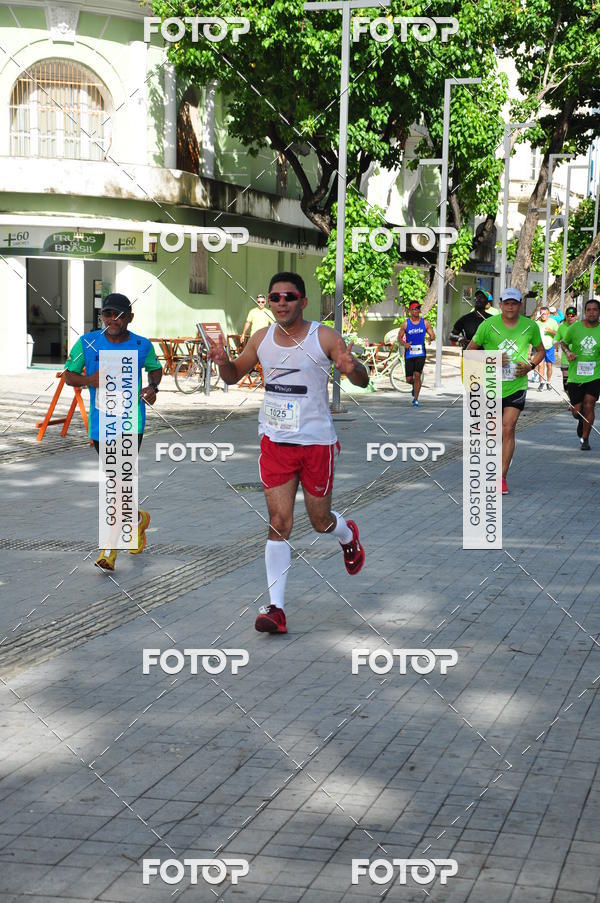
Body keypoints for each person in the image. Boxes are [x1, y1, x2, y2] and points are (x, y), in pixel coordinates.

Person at [208, 272, 369, 635]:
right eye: (275, 297)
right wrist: (221, 361)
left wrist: (352, 367)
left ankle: (346, 534)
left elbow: (361, 378)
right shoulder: (262, 338)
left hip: (315, 443)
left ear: (303, 301)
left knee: (319, 521)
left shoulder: (322, 336)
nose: (282, 303)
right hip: (275, 442)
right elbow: (234, 375)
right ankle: (275, 609)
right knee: (279, 523)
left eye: (289, 297)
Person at [64, 293, 162, 571]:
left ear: (129, 318)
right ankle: (137, 520)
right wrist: (88, 380)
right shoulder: (88, 342)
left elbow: (156, 370)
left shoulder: (142, 345)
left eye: (119, 315)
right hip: (101, 425)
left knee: (117, 484)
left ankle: (109, 550)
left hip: (132, 424)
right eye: (107, 314)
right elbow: (69, 375)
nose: (112, 319)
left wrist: (152, 389)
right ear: (102, 317)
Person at [467, 287, 545, 494]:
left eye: (514, 303)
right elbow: (470, 353)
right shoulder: (487, 325)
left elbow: (541, 351)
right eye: (507, 303)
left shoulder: (530, 326)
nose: (510, 306)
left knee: (508, 428)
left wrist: (531, 366)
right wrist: (490, 358)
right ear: (500, 304)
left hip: (516, 385)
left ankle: (500, 477)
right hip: (490, 386)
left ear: (519, 305)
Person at [561, 297, 600, 450]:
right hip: (575, 375)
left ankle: (585, 439)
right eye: (589, 310)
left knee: (589, 404)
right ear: (585, 312)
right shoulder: (575, 328)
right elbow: (563, 343)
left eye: (595, 310)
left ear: (599, 312)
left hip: (595, 375)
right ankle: (580, 419)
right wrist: (568, 352)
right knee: (577, 410)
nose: (591, 313)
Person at [397, 301, 435, 407]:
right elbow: (399, 338)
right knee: (409, 379)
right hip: (409, 353)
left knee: (417, 375)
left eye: (418, 308)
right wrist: (404, 344)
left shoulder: (425, 323)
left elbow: (432, 335)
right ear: (410, 311)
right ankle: (415, 386)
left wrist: (430, 337)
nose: (416, 310)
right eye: (414, 308)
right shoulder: (406, 324)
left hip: (420, 353)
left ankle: (416, 399)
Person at [553, 306, 578, 392]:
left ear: (576, 316)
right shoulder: (562, 327)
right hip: (566, 359)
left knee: (577, 384)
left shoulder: (581, 326)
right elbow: (555, 340)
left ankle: (576, 403)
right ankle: (572, 402)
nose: (570, 317)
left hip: (578, 359)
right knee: (566, 385)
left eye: (572, 315)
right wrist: (556, 343)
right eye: (568, 315)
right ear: (566, 316)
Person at [535, 305, 558, 391]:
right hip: (540, 348)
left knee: (549, 365)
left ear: (548, 314)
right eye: (541, 314)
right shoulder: (537, 323)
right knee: (540, 365)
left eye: (545, 314)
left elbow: (558, 333)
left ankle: (548, 382)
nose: (543, 315)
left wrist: (550, 331)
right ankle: (541, 382)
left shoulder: (553, 322)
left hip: (549, 347)